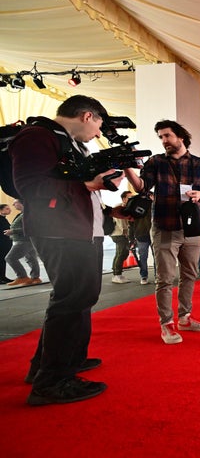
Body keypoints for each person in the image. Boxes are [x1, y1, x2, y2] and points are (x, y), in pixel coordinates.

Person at [11, 94, 123, 405]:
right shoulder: (37, 137)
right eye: (99, 125)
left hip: (77, 230)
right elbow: (30, 187)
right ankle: (53, 380)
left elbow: (72, 189)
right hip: (62, 232)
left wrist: (105, 200)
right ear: (88, 116)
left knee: (75, 299)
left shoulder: (61, 141)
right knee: (71, 300)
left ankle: (55, 364)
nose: (99, 133)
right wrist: (88, 185)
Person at [123, 119, 200, 344]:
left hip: (192, 228)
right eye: (161, 137)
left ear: (181, 137)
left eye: (167, 135)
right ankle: (166, 324)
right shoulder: (156, 162)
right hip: (165, 227)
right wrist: (127, 167)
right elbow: (141, 187)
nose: (164, 140)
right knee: (165, 279)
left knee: (189, 275)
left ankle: (185, 317)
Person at [3, 199, 41, 286]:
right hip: (26, 241)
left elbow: (31, 228)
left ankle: (22, 277)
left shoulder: (28, 214)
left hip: (24, 241)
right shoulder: (23, 214)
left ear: (21, 203)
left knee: (10, 258)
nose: (13, 205)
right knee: (31, 259)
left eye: (15, 203)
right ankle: (35, 278)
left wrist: (13, 231)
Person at [130, 192, 153, 285]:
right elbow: (131, 223)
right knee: (148, 256)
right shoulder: (152, 206)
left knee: (143, 256)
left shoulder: (136, 207)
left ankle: (145, 276)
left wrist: (131, 236)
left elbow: (131, 223)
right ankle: (148, 276)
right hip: (146, 233)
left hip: (142, 233)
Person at [110, 191, 133, 284]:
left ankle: (117, 273)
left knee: (121, 253)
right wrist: (125, 233)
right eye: (129, 197)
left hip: (121, 234)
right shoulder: (119, 207)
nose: (131, 199)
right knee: (122, 253)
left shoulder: (126, 208)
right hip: (118, 234)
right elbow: (121, 223)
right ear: (124, 199)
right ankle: (116, 274)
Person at [0, 204, 12, 283]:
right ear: (1, 210)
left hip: (5, 242)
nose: (10, 210)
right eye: (7, 209)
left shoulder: (3, 218)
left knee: (3, 260)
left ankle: (3, 277)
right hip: (2, 243)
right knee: (1, 260)